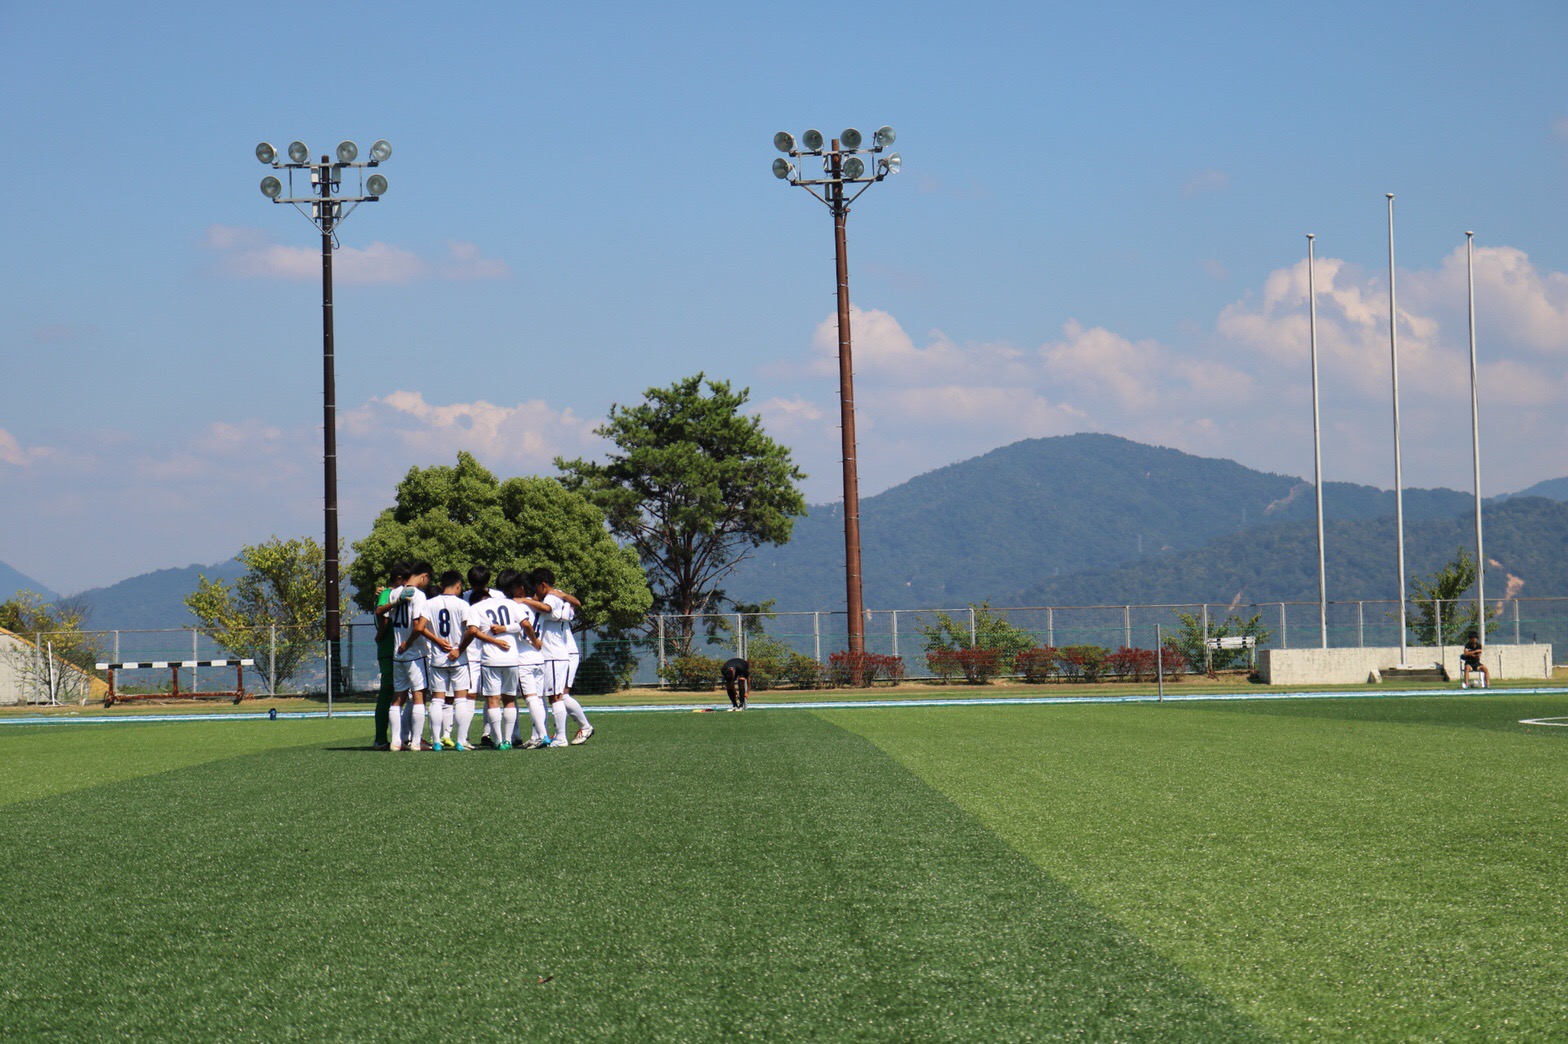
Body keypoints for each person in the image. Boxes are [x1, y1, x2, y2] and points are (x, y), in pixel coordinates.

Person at [522, 568, 593, 745]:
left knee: (558, 696)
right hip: (556, 652)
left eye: (536, 587)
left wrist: (523, 600)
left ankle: (565, 735)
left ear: (542, 585)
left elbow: (548, 608)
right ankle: (543, 735)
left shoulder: (551, 598)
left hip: (557, 653)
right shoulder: (556, 597)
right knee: (551, 696)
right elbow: (574, 603)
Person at [465, 570, 533, 751]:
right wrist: (534, 641)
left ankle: (498, 740)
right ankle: (509, 740)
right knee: (509, 699)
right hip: (512, 657)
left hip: (490, 658)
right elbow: (525, 624)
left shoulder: (476, 607)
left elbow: (472, 631)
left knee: (493, 699)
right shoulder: (509, 603)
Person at [424, 571, 473, 750]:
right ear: (458, 585)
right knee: (461, 700)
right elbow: (471, 630)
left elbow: (420, 627)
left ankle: (436, 741)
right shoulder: (462, 604)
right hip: (459, 659)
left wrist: (437, 640)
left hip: (438, 658)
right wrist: (459, 649)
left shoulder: (429, 603)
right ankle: (460, 741)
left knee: (437, 700)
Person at [371, 562, 408, 750]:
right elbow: (382, 614)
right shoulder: (387, 593)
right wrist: (380, 635)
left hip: (397, 651)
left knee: (401, 693)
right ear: (400, 579)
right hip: (389, 651)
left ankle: (402, 737)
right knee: (387, 692)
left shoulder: (389, 593)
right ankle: (380, 738)